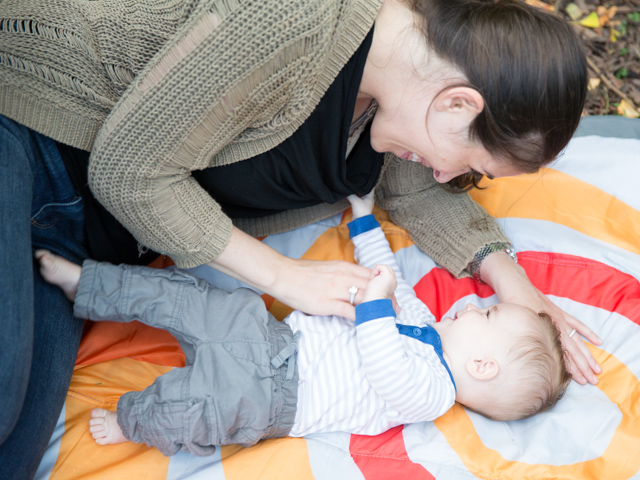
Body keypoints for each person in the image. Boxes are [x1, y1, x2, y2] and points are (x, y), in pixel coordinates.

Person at [0, 0, 600, 475]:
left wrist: (516, 291)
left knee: (19, 446)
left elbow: (416, 191)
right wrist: (286, 279)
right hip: (30, 139)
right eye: (467, 161)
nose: (448, 176)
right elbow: (129, 171)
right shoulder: (291, 20)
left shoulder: (398, 98)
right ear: (457, 103)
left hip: (93, 234)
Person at [34, 193, 571, 456]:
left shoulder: (431, 393)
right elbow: (392, 278)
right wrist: (363, 220)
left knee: (190, 410)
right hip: (270, 337)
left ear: (481, 365)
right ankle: (93, 286)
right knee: (188, 297)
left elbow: (383, 364)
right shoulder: (425, 321)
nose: (475, 305)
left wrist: (377, 302)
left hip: (269, 397)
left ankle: (134, 421)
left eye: (489, 313)